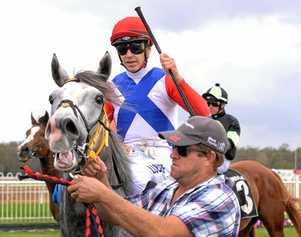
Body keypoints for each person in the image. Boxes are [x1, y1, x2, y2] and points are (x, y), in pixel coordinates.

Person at [68, 116, 241, 237]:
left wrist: (103, 194)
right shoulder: (166, 187)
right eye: (172, 146)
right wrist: (101, 179)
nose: (173, 154)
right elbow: (115, 214)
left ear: (209, 157)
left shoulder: (220, 198)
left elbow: (162, 233)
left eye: (182, 149)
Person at [104, 16, 209, 195]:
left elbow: (203, 113)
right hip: (126, 155)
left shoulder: (165, 79)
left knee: (135, 181)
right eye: (122, 49)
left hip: (162, 153)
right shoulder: (112, 86)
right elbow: (105, 127)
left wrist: (177, 77)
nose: (129, 54)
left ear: (149, 48)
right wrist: (116, 144)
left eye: (136, 47)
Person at [202, 83, 241, 173]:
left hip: (222, 160)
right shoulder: (203, 120)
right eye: (208, 103)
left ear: (222, 105)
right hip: (204, 157)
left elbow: (229, 144)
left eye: (214, 103)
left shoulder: (232, 121)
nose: (210, 106)